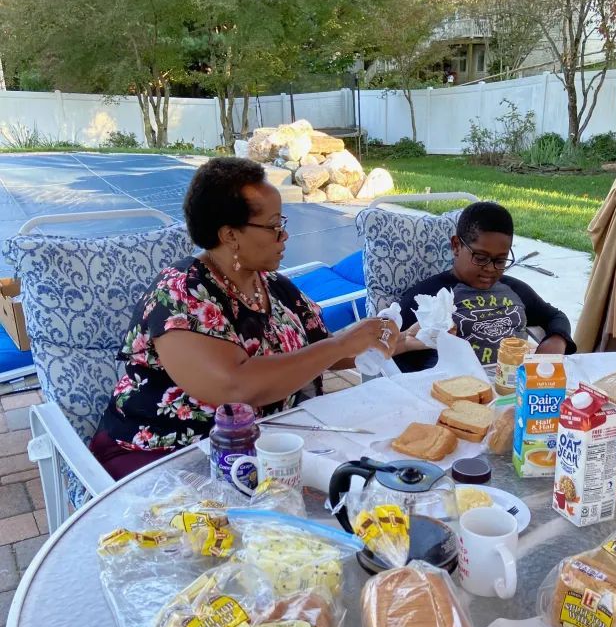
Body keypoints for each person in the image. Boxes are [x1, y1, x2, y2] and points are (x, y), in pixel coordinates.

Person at [90, 157, 398, 479]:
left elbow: (321, 350)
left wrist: (387, 340)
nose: (284, 236)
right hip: (165, 456)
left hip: (261, 446)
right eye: (274, 226)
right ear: (230, 235)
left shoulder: (272, 286)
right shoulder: (181, 294)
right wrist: (340, 345)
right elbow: (236, 386)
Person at [395, 200, 576, 372]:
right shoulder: (429, 296)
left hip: (515, 387)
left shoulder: (514, 290)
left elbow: (555, 316)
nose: (490, 269)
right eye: (480, 258)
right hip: (455, 389)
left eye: (500, 260)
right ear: (456, 246)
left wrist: (556, 340)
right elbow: (391, 352)